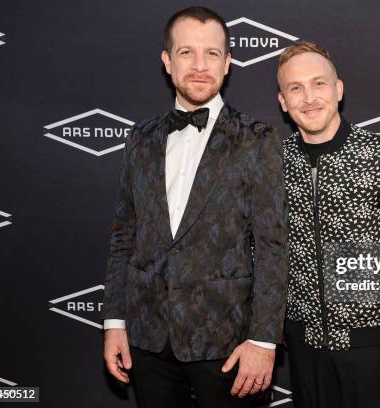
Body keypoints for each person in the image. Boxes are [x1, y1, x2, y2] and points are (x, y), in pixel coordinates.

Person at [101, 7, 288, 408]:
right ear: (168, 61)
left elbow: (274, 247)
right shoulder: (141, 137)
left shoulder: (257, 140)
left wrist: (263, 339)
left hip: (229, 343)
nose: (200, 66)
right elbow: (124, 236)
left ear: (228, 63)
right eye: (187, 53)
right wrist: (115, 321)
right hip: (148, 339)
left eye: (212, 54)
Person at [277, 41, 380, 408]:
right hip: (304, 349)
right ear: (283, 101)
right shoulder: (273, 163)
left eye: (318, 84)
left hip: (377, 351)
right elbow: (260, 250)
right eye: (295, 88)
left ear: (338, 89)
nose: (309, 97)